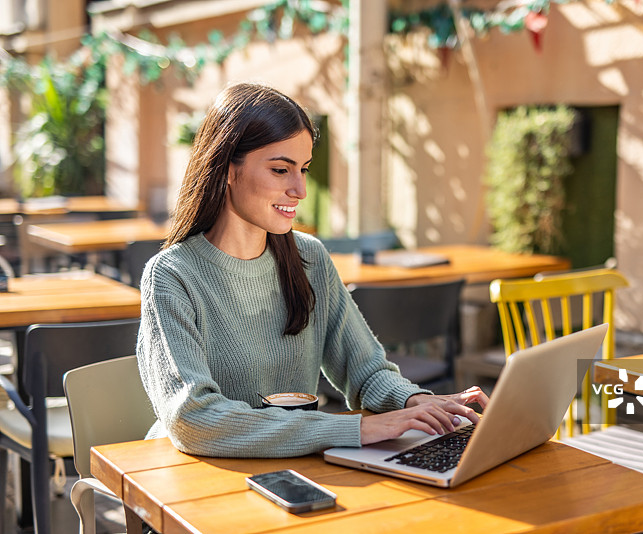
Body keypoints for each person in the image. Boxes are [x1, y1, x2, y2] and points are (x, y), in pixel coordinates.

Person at [136, 82, 489, 458]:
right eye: (280, 170)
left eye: (302, 169)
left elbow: (366, 372)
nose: (300, 190)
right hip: (193, 482)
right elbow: (193, 419)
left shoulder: (309, 258)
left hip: (291, 474)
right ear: (226, 169)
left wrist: (417, 402)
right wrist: (355, 428)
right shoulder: (171, 276)